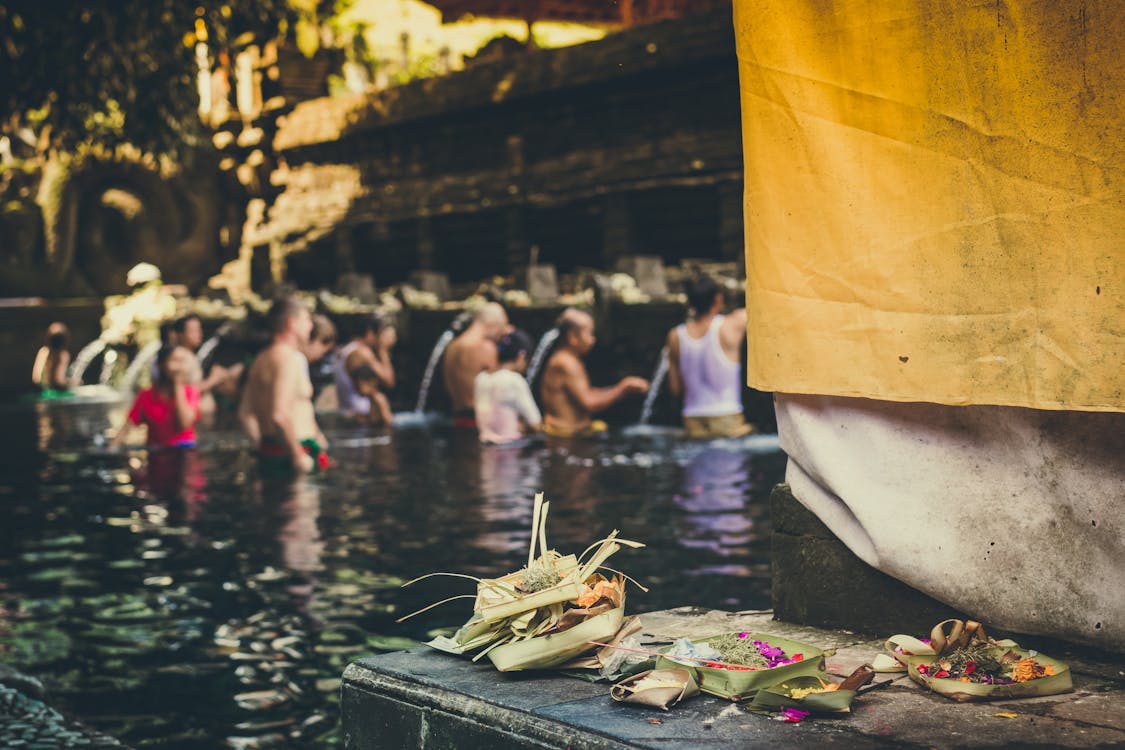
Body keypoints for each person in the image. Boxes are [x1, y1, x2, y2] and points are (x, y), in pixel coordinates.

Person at [239, 297, 330, 475]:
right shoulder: (289, 359)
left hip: (269, 453)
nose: (310, 325)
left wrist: (262, 448)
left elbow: (244, 414)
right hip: (295, 455)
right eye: (306, 319)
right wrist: (298, 456)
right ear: (291, 323)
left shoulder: (260, 359)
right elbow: (279, 415)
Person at [665, 275, 755, 439]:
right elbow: (759, 308)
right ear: (718, 300)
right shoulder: (730, 326)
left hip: (692, 420)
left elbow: (675, 388)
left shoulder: (675, 336)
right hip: (727, 417)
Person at [539, 310, 649, 437]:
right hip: (565, 436)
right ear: (572, 337)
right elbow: (589, 403)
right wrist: (623, 388)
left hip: (573, 433)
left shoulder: (569, 359)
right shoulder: (565, 363)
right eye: (589, 334)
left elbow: (586, 393)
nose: (593, 340)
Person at [111, 344, 200, 448]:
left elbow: (185, 424)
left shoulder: (191, 392)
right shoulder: (146, 396)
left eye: (182, 362)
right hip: (156, 453)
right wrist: (111, 448)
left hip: (184, 452)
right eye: (175, 360)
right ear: (161, 365)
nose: (179, 367)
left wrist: (178, 385)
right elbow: (127, 428)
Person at [442, 302, 510, 428]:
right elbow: (498, 387)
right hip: (478, 420)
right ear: (492, 324)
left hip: (457, 417)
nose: (501, 336)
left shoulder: (452, 345)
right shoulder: (485, 348)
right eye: (501, 329)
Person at [474, 329, 542, 444]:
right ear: (521, 356)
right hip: (509, 447)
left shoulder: (481, 378)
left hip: (484, 444)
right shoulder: (514, 380)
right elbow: (536, 424)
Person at [333, 315, 395, 418]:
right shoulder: (362, 352)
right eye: (380, 334)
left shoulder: (344, 349)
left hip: (345, 410)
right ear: (370, 332)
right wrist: (383, 350)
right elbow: (389, 380)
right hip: (360, 412)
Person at [32, 322, 72, 393]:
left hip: (42, 391)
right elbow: (59, 381)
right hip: (56, 392)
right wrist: (71, 383)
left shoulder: (43, 352)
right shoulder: (63, 355)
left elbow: (36, 378)